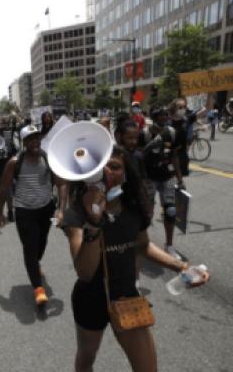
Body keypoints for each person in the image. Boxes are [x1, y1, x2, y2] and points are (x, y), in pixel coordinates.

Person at [62, 145, 209, 372]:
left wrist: (181, 266)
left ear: (126, 173)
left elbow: (143, 245)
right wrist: (93, 221)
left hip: (127, 296)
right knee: (86, 358)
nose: (108, 172)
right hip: (90, 299)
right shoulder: (76, 213)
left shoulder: (134, 208)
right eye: (102, 167)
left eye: (115, 167)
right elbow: (85, 272)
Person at [0, 125, 68, 307]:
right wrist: (0, 213)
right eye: (30, 139)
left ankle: (35, 265)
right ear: (24, 142)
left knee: (42, 242)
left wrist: (61, 210)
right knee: (30, 247)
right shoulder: (14, 162)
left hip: (47, 209)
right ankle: (38, 289)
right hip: (24, 212)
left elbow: (61, 184)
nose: (35, 142)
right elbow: (3, 189)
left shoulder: (48, 159)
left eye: (37, 138)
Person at [139, 105, 184, 260]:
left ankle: (169, 245)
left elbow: (174, 157)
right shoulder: (144, 133)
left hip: (167, 176)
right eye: (161, 115)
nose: (165, 118)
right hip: (149, 177)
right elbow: (138, 157)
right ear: (154, 117)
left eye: (166, 115)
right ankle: (142, 243)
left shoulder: (171, 133)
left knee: (170, 210)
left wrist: (180, 178)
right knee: (148, 212)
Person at [168, 97, 207, 177]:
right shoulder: (167, 122)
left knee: (180, 183)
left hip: (183, 158)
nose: (183, 109)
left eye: (184, 107)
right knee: (171, 182)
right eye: (180, 107)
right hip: (170, 159)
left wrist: (210, 93)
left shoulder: (186, 119)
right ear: (173, 108)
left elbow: (206, 109)